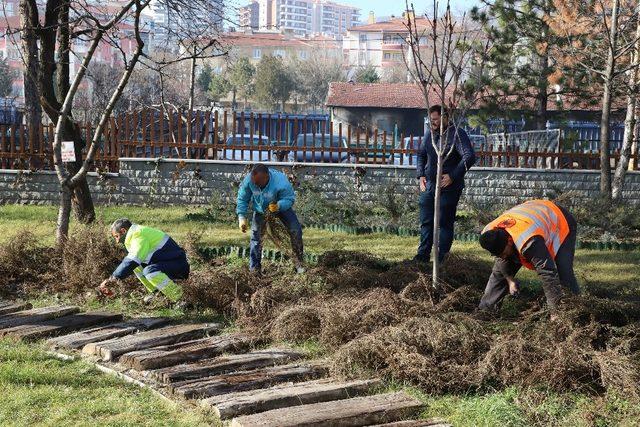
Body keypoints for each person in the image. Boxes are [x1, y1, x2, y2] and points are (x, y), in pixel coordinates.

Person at [477, 199, 580, 312]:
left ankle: (574, 310)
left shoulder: (528, 241)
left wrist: (554, 312)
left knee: (564, 272)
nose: (502, 257)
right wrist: (509, 280)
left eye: (503, 253)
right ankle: (485, 311)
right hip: (530, 214)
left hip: (560, 221)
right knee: (499, 272)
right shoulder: (489, 233)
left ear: (509, 242)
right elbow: (500, 258)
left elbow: (547, 272)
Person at [415, 105, 476, 264]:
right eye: (431, 120)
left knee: (444, 223)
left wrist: (453, 176)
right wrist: (420, 174)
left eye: (435, 119)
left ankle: (442, 259)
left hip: (449, 188)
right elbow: (421, 154)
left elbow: (469, 157)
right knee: (426, 221)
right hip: (429, 186)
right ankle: (422, 256)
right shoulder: (430, 134)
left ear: (445, 117)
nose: (432, 123)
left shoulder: (457, 134)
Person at [98, 219, 189, 304]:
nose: (117, 241)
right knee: (137, 267)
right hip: (168, 263)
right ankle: (157, 293)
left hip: (178, 265)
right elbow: (134, 262)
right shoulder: (134, 235)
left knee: (149, 271)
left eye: (117, 236)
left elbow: (131, 261)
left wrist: (112, 279)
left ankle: (181, 299)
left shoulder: (138, 235)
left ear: (123, 231)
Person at [237, 163, 304, 274]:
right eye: (254, 183)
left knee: (295, 230)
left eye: (258, 183)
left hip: (281, 207)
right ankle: (254, 269)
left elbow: (289, 198)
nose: (256, 185)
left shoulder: (280, 181)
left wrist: (279, 205)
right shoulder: (249, 180)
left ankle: (299, 264)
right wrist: (241, 217)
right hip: (261, 210)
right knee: (256, 236)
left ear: (266, 177)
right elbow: (242, 199)